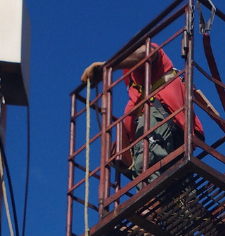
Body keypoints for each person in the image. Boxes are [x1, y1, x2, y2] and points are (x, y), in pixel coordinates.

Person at [81, 42, 204, 178]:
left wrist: (109, 66)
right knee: (177, 184)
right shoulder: (136, 100)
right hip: (171, 136)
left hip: (161, 126)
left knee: (148, 169)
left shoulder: (149, 68)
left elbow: (145, 53)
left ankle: (159, 197)